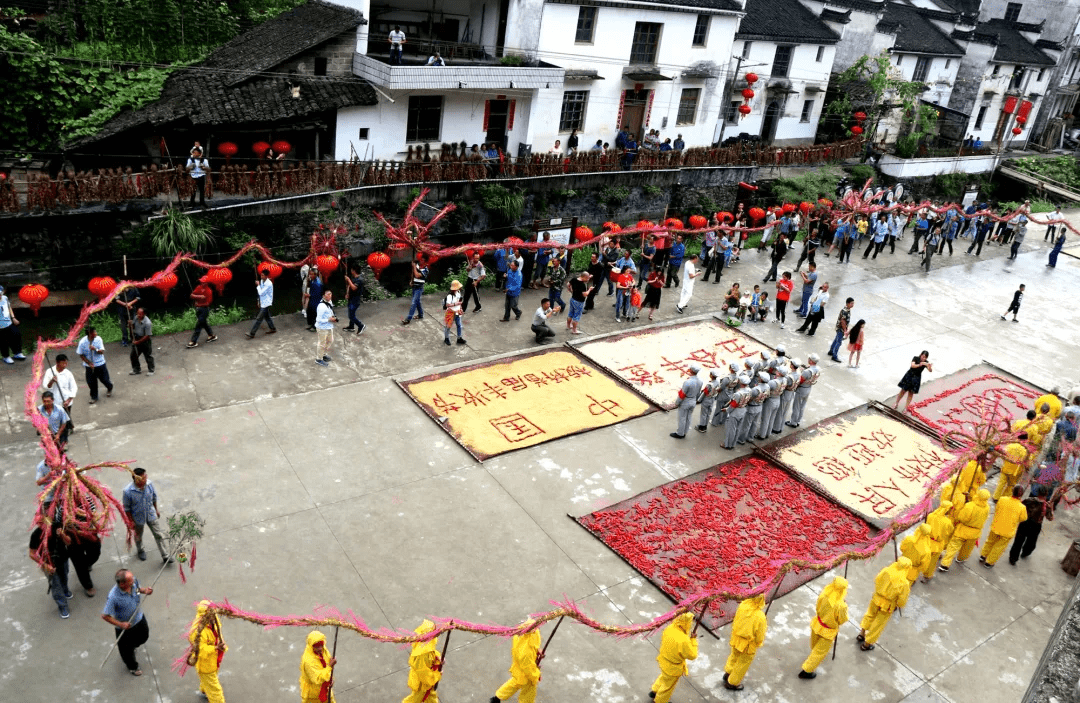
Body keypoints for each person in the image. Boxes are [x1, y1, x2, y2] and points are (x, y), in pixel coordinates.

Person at [101, 569, 153, 675]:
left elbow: (137, 590)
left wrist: (145, 591)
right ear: (122, 583)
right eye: (130, 580)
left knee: (144, 637)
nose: (133, 581)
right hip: (125, 627)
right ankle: (133, 667)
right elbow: (105, 616)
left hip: (139, 618)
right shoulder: (113, 597)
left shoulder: (133, 583)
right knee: (126, 651)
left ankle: (133, 646)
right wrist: (121, 624)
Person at [857, 557, 911, 651]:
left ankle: (862, 633)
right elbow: (902, 600)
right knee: (878, 624)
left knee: (869, 615)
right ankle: (867, 644)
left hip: (876, 598)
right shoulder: (904, 583)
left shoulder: (886, 570)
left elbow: (876, 580)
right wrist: (898, 605)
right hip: (888, 605)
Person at [799, 576, 848, 679]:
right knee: (819, 652)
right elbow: (842, 620)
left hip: (817, 623)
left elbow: (817, 606)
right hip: (828, 631)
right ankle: (807, 671)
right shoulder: (841, 605)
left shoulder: (824, 594)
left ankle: (811, 660)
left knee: (814, 645)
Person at [123, 467, 172, 563]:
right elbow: (127, 508)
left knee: (158, 534)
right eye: (143, 477)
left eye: (146, 476)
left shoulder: (149, 484)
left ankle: (165, 555)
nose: (146, 479)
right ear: (136, 479)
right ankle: (140, 550)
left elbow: (154, 497)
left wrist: (156, 510)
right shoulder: (128, 491)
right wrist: (131, 521)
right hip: (137, 517)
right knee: (138, 536)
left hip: (150, 513)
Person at [649, 611, 697, 703]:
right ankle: (660, 701)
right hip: (673, 667)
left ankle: (655, 690)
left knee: (664, 677)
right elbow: (692, 655)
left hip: (663, 660)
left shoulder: (670, 628)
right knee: (668, 686)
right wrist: (693, 640)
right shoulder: (684, 640)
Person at [938, 489, 991, 571]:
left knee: (953, 547)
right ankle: (960, 559)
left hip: (963, 530)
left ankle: (945, 564)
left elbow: (962, 518)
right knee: (967, 548)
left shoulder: (970, 505)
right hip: (975, 532)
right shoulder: (987, 508)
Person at [724, 595, 767, 691]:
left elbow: (736, 619)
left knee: (734, 656)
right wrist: (758, 643)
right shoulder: (760, 617)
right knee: (742, 664)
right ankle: (732, 683)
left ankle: (728, 673)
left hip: (736, 638)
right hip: (747, 645)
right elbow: (760, 635)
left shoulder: (743, 605)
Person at [29, 520, 70, 618]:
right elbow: (32, 553)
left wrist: (63, 535)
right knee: (55, 586)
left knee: (64, 576)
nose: (42, 524)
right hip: (49, 563)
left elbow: (68, 542)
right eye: (39, 522)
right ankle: (62, 605)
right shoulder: (36, 535)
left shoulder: (58, 526)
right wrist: (45, 565)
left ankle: (65, 590)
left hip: (63, 559)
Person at [189, 600, 228, 703]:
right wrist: (215, 648)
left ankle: (205, 690)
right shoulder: (197, 631)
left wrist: (220, 644)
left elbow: (218, 630)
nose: (214, 615)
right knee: (216, 691)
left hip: (214, 658)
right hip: (206, 663)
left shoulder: (212, 619)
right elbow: (201, 650)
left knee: (209, 681)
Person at [980, 485, 1028, 568]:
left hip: (996, 526)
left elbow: (997, 508)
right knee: (999, 547)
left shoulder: (1002, 499)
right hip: (1007, 531)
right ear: (1021, 494)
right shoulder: (1022, 507)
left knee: (990, 541)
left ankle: (983, 555)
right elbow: (1023, 518)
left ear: (1012, 491)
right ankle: (989, 562)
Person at [1010, 486, 1052, 564]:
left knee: (1018, 541)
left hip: (1024, 522)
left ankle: (1013, 558)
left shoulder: (1029, 500)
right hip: (1036, 526)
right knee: (1031, 542)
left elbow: (1020, 506)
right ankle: (1025, 553)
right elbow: (1050, 518)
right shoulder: (1046, 506)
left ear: (1038, 492)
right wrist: (1051, 508)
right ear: (1046, 494)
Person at [77, 326, 114, 403]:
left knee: (104, 379)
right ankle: (94, 397)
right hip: (89, 365)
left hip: (100, 363)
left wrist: (95, 349)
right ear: (90, 334)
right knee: (91, 382)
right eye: (94, 332)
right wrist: (88, 363)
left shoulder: (98, 339)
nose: (96, 333)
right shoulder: (82, 342)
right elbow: (81, 354)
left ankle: (109, 387)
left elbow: (102, 351)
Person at [299, 630, 337, 703]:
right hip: (313, 696)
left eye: (321, 645)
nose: (320, 648)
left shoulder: (323, 650)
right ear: (311, 646)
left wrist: (330, 680)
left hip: (326, 690)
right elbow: (318, 679)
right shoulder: (308, 660)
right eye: (316, 646)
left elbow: (326, 667)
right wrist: (330, 666)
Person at [920, 501, 954, 582]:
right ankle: (927, 576)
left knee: (922, 559)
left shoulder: (931, 515)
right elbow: (949, 532)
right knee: (932, 562)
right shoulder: (947, 522)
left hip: (927, 540)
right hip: (937, 544)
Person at [43, 353, 77, 430]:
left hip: (66, 400)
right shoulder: (49, 372)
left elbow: (74, 387)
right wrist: (52, 381)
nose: (65, 365)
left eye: (66, 363)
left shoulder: (68, 373)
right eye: (63, 363)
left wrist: (69, 400)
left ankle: (69, 428)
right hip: (55, 401)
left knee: (67, 416)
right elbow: (46, 386)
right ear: (57, 363)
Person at [671, 365, 703, 439]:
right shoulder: (700, 381)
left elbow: (682, 394)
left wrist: (677, 402)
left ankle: (680, 433)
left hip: (686, 401)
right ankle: (685, 431)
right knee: (688, 417)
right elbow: (698, 393)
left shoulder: (687, 382)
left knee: (682, 418)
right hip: (693, 400)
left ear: (691, 371)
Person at [246, 268, 277, 338]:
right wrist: (258, 300)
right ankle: (273, 328)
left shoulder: (269, 284)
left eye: (263, 275)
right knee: (267, 317)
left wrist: (258, 285)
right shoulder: (262, 281)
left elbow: (261, 292)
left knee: (259, 319)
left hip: (266, 303)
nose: (261, 276)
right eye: (261, 275)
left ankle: (252, 333)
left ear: (266, 276)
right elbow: (259, 294)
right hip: (263, 301)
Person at [188, 276, 218, 347]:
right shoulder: (199, 287)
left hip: (205, 310)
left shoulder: (209, 291)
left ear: (206, 283)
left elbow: (208, 303)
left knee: (199, 325)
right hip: (198, 309)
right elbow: (191, 295)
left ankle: (193, 341)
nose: (201, 283)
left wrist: (199, 304)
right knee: (204, 323)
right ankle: (211, 336)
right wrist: (199, 297)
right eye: (201, 281)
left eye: (203, 282)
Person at [124, 307, 155, 375]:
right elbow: (133, 326)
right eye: (137, 313)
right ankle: (136, 369)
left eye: (140, 314)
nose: (138, 315)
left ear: (144, 314)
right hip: (137, 338)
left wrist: (138, 342)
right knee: (133, 355)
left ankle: (151, 370)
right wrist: (130, 324)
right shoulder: (136, 317)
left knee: (148, 355)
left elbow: (147, 335)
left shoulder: (147, 323)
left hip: (145, 340)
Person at [0, 284, 26, 364]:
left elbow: (9, 307)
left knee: (16, 335)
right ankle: (6, 356)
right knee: (3, 341)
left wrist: (13, 317)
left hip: (9, 322)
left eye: (0, 294)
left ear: (3, 292)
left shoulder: (5, 298)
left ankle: (17, 353)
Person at [401, 255, 429, 325]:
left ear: (425, 262)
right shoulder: (417, 266)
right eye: (421, 260)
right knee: (418, 302)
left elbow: (417, 275)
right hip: (414, 287)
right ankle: (420, 315)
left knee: (414, 303)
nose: (421, 261)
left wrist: (413, 266)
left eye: (423, 260)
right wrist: (411, 281)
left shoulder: (426, 270)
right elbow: (413, 275)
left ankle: (408, 319)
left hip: (419, 288)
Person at [314, 290, 337, 366]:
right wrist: (329, 319)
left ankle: (323, 354)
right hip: (322, 328)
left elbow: (330, 311)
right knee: (322, 343)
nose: (330, 295)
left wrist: (333, 318)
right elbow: (318, 319)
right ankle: (318, 359)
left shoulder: (329, 302)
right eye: (328, 294)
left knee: (330, 340)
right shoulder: (321, 306)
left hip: (329, 326)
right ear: (323, 296)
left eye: (331, 294)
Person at [343, 263, 367, 334]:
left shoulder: (360, 279)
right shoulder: (354, 277)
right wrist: (347, 293)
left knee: (351, 316)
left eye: (351, 269)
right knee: (351, 313)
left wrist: (348, 280)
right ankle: (351, 327)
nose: (350, 271)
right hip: (351, 298)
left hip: (355, 300)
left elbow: (353, 288)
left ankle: (361, 326)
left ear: (354, 270)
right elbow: (349, 286)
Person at [827, 297, 853, 362]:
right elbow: (843, 321)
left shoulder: (847, 310)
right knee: (839, 342)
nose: (853, 305)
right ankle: (834, 356)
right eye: (851, 303)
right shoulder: (845, 311)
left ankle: (831, 351)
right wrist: (845, 331)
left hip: (840, 328)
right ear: (847, 304)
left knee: (836, 340)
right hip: (840, 329)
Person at [443, 280, 466, 346]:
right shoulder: (449, 296)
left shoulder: (458, 293)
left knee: (459, 325)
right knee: (448, 326)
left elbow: (460, 302)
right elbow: (448, 305)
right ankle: (446, 338)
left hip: (457, 312)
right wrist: (456, 304)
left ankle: (459, 338)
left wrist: (461, 308)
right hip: (451, 312)